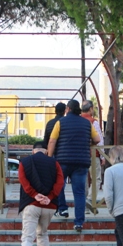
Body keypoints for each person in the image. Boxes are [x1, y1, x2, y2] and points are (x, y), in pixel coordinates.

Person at [47, 99, 101, 231]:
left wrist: (49, 158)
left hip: (63, 160)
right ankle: (79, 222)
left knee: (59, 185)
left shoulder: (60, 122)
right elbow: (97, 139)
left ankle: (63, 209)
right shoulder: (87, 123)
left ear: (68, 109)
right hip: (81, 162)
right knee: (79, 192)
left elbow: (52, 141)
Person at [16, 141, 65, 246]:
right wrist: (50, 197)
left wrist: (35, 195)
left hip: (31, 205)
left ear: (33, 151)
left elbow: (23, 180)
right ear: (46, 151)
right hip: (49, 206)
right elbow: (60, 182)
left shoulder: (25, 162)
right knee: (42, 233)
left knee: (27, 237)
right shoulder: (54, 163)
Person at [80, 100, 105, 192]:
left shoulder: (78, 120)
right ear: (91, 109)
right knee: (96, 178)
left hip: (80, 154)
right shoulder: (93, 122)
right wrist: (102, 156)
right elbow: (99, 140)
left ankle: (84, 196)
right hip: (93, 153)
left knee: (82, 177)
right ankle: (91, 198)